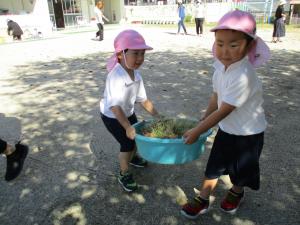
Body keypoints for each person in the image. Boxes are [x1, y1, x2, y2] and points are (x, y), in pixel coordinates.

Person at [180, 10, 270, 219]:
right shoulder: (219, 67)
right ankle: (203, 199)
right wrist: (203, 119)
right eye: (220, 44)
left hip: (249, 133)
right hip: (227, 129)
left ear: (248, 45)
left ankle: (236, 192)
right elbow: (216, 97)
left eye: (233, 44)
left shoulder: (243, 75)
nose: (225, 51)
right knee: (213, 166)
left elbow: (224, 110)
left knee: (241, 171)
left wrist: (197, 131)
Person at [100, 29, 160, 192]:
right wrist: (127, 127)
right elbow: (114, 107)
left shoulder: (137, 75)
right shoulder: (115, 76)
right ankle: (123, 173)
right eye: (136, 53)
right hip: (112, 116)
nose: (140, 58)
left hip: (126, 113)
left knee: (137, 138)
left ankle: (132, 159)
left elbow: (143, 100)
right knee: (127, 143)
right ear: (120, 54)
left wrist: (158, 115)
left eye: (142, 54)